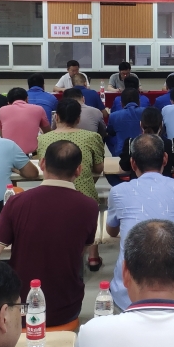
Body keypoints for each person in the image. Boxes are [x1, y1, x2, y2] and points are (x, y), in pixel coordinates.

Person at [0, 141, 99, 327]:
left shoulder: (17, 202)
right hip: (66, 309)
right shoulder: (90, 207)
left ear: (42, 163)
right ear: (78, 170)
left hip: (20, 310)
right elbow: (80, 251)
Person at [107, 135, 174, 310]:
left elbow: (111, 231)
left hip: (127, 296)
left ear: (133, 163)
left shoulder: (118, 192)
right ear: (165, 158)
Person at [36, 98, 105, 270]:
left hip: (50, 195)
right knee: (90, 216)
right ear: (78, 119)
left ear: (56, 117)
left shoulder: (44, 139)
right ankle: (93, 255)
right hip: (84, 195)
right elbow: (98, 167)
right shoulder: (92, 137)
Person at [118, 107, 174, 178]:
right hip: (163, 184)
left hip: (138, 184)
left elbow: (123, 170)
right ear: (161, 125)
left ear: (141, 124)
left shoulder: (131, 143)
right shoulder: (171, 144)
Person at [0, 86, 51, 155]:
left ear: (9, 103)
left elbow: (2, 134)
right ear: (27, 99)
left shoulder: (2, 110)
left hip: (9, 154)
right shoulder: (39, 109)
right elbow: (48, 133)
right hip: (32, 155)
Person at [106, 88, 144, 157]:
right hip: (143, 151)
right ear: (139, 102)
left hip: (121, 153)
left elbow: (110, 132)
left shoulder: (113, 116)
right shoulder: (146, 112)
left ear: (121, 103)